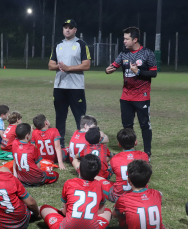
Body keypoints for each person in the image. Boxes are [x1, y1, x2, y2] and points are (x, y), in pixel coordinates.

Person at [105, 26, 157, 158]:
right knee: (127, 126)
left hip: (142, 97)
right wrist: (108, 70)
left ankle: (147, 152)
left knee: (145, 125)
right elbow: (113, 66)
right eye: (124, 39)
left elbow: (153, 73)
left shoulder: (147, 53)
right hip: (126, 97)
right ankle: (130, 151)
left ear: (135, 40)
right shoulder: (124, 54)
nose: (124, 41)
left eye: (127, 39)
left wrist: (138, 72)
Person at [48, 19, 91, 148]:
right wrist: (59, 67)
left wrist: (69, 68)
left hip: (76, 87)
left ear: (75, 30)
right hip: (60, 87)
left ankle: (83, 144)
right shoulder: (58, 44)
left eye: (70, 28)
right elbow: (50, 64)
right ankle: (60, 146)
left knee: (80, 118)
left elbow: (87, 64)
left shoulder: (81, 44)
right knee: (60, 118)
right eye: (65, 27)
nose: (67, 30)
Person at [40, 154, 111, 229]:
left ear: (79, 169)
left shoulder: (69, 183)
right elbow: (100, 211)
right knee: (107, 211)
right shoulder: (99, 185)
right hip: (91, 226)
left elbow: (65, 212)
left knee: (44, 208)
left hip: (68, 226)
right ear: (97, 173)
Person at [112, 160, 165, 229]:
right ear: (149, 179)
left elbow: (114, 214)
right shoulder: (156, 194)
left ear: (128, 180)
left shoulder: (124, 199)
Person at [100, 128, 149, 203]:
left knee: (98, 179)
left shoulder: (114, 159)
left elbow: (108, 175)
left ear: (119, 144)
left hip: (120, 196)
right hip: (140, 193)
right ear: (135, 142)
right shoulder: (144, 156)